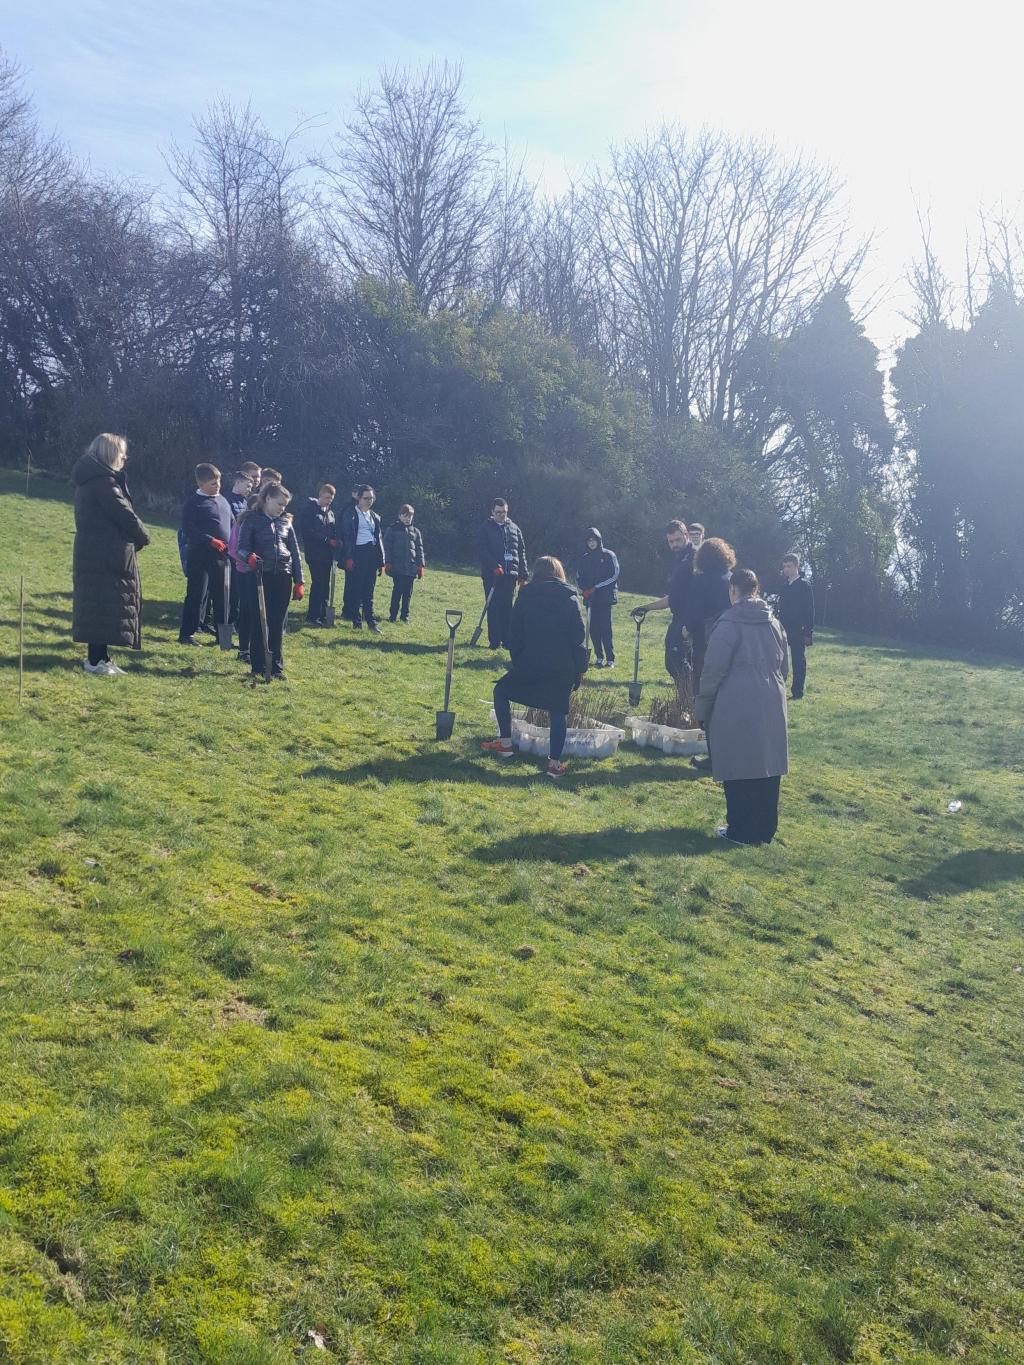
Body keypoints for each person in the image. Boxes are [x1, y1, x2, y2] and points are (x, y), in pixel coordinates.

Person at [694, 568, 789, 846]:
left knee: (738, 763)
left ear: (733, 590)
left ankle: (740, 831)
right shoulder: (774, 622)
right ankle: (765, 829)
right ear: (756, 590)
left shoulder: (728, 623)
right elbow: (785, 665)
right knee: (768, 765)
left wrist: (703, 707)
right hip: (773, 699)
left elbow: (713, 670)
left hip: (735, 700)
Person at [483, 556, 588, 779]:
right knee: (558, 710)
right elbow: (578, 637)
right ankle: (554, 764)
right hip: (562, 665)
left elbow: (514, 635)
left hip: (531, 661)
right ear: (560, 573)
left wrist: (519, 661)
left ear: (536, 573)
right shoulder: (570, 598)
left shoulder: (525, 595)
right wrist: (580, 669)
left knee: (500, 691)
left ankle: (505, 743)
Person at [71, 433, 150, 676]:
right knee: (100, 604)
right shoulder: (102, 483)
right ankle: (95, 661)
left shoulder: (96, 480)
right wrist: (144, 536)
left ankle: (102, 657)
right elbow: (124, 515)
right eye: (121, 452)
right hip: (103, 553)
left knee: (104, 605)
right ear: (110, 453)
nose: (125, 456)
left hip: (101, 550)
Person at [236, 483, 304, 679]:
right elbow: (241, 548)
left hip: (283, 576)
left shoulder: (286, 523)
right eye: (279, 503)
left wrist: (299, 581)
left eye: (285, 505)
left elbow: (295, 553)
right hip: (258, 577)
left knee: (277, 623)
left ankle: (276, 667)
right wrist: (249, 556)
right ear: (266, 499)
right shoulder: (251, 520)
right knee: (260, 622)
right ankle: (258, 666)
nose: (282, 508)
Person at [178, 463, 232, 646]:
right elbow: (189, 528)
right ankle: (187, 633)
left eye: (218, 482)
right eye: (212, 483)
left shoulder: (223, 501)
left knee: (222, 596)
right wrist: (210, 540)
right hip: (200, 555)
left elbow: (231, 524)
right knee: (197, 594)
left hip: (222, 556)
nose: (217, 486)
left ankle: (222, 637)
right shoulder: (194, 502)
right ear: (200, 484)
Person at [639, 520, 695, 686]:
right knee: (672, 661)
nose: (674, 545)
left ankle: (690, 698)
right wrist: (646, 608)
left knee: (677, 661)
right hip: (678, 615)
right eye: (671, 541)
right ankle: (686, 698)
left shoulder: (695, 557)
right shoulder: (678, 559)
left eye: (678, 540)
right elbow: (673, 596)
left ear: (686, 535)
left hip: (690, 617)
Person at [684, 537, 736, 690]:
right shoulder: (732, 578)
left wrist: (688, 630)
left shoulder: (700, 580)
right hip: (730, 636)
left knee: (702, 681)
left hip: (704, 638)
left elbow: (693, 611)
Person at [476, 498, 528, 649]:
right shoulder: (485, 528)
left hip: (510, 575)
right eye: (498, 512)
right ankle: (494, 641)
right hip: (492, 574)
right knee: (493, 607)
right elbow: (482, 550)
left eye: (504, 512)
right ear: (492, 512)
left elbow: (521, 552)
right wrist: (493, 566)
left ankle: (507, 640)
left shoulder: (514, 528)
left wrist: (523, 574)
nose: (501, 515)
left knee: (507, 608)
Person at [338, 484, 384, 632]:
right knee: (356, 589)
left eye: (371, 498)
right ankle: (356, 621)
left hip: (371, 554)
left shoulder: (374, 516)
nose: (369, 501)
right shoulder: (350, 514)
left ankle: (371, 621)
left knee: (369, 590)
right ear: (358, 498)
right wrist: (349, 557)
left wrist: (381, 560)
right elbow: (346, 537)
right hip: (358, 553)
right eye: (366, 498)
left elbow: (378, 538)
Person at [577, 528, 620, 668]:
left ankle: (610, 659)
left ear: (598, 540)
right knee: (593, 628)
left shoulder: (609, 555)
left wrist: (597, 588)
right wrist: (584, 590)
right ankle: (599, 657)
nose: (591, 543)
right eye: (589, 541)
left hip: (605, 598)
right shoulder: (584, 559)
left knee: (605, 628)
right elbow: (579, 577)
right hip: (590, 598)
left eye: (593, 540)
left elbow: (614, 575)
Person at [296, 483, 337, 626]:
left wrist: (337, 541)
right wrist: (326, 540)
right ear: (320, 495)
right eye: (327, 497)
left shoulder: (330, 513)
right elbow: (307, 531)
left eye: (331, 499)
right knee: (318, 584)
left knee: (325, 585)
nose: (329, 501)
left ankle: (323, 614)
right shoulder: (310, 510)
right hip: (315, 554)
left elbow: (333, 530)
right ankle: (312, 616)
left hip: (327, 555)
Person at [228, 493, 260, 663]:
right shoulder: (241, 522)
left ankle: (257, 648)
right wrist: (248, 559)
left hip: (263, 574)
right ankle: (243, 649)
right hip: (245, 572)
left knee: (258, 612)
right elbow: (233, 549)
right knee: (247, 611)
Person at [778, 553, 815, 700]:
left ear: (796, 566)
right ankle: (779, 689)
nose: (786, 569)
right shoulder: (784, 586)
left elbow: (809, 610)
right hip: (783, 628)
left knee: (798, 660)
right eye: (784, 567)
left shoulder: (804, 585)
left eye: (789, 566)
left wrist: (808, 632)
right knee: (780, 659)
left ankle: (797, 692)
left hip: (799, 630)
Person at [383, 503, 425, 623]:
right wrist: (388, 562)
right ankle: (393, 615)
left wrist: (420, 565)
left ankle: (404, 616)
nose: (407, 518)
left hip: (411, 568)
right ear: (399, 516)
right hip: (397, 567)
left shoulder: (416, 532)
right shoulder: (392, 529)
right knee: (397, 591)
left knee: (408, 594)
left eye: (410, 516)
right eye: (405, 516)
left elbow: (419, 549)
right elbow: (387, 547)